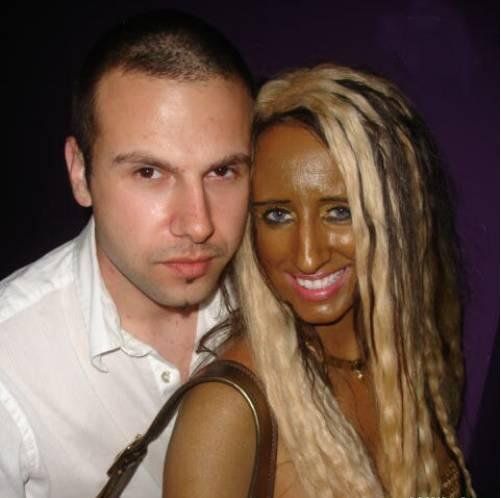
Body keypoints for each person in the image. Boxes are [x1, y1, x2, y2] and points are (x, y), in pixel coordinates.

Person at [163, 64, 476, 498]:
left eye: (339, 212)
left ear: (396, 216)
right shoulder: (228, 410)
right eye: (277, 215)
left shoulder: (415, 352)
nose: (308, 256)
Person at [0, 10, 254, 498]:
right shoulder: (11, 368)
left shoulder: (279, 300)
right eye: (149, 173)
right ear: (80, 173)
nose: (198, 224)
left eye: (222, 172)